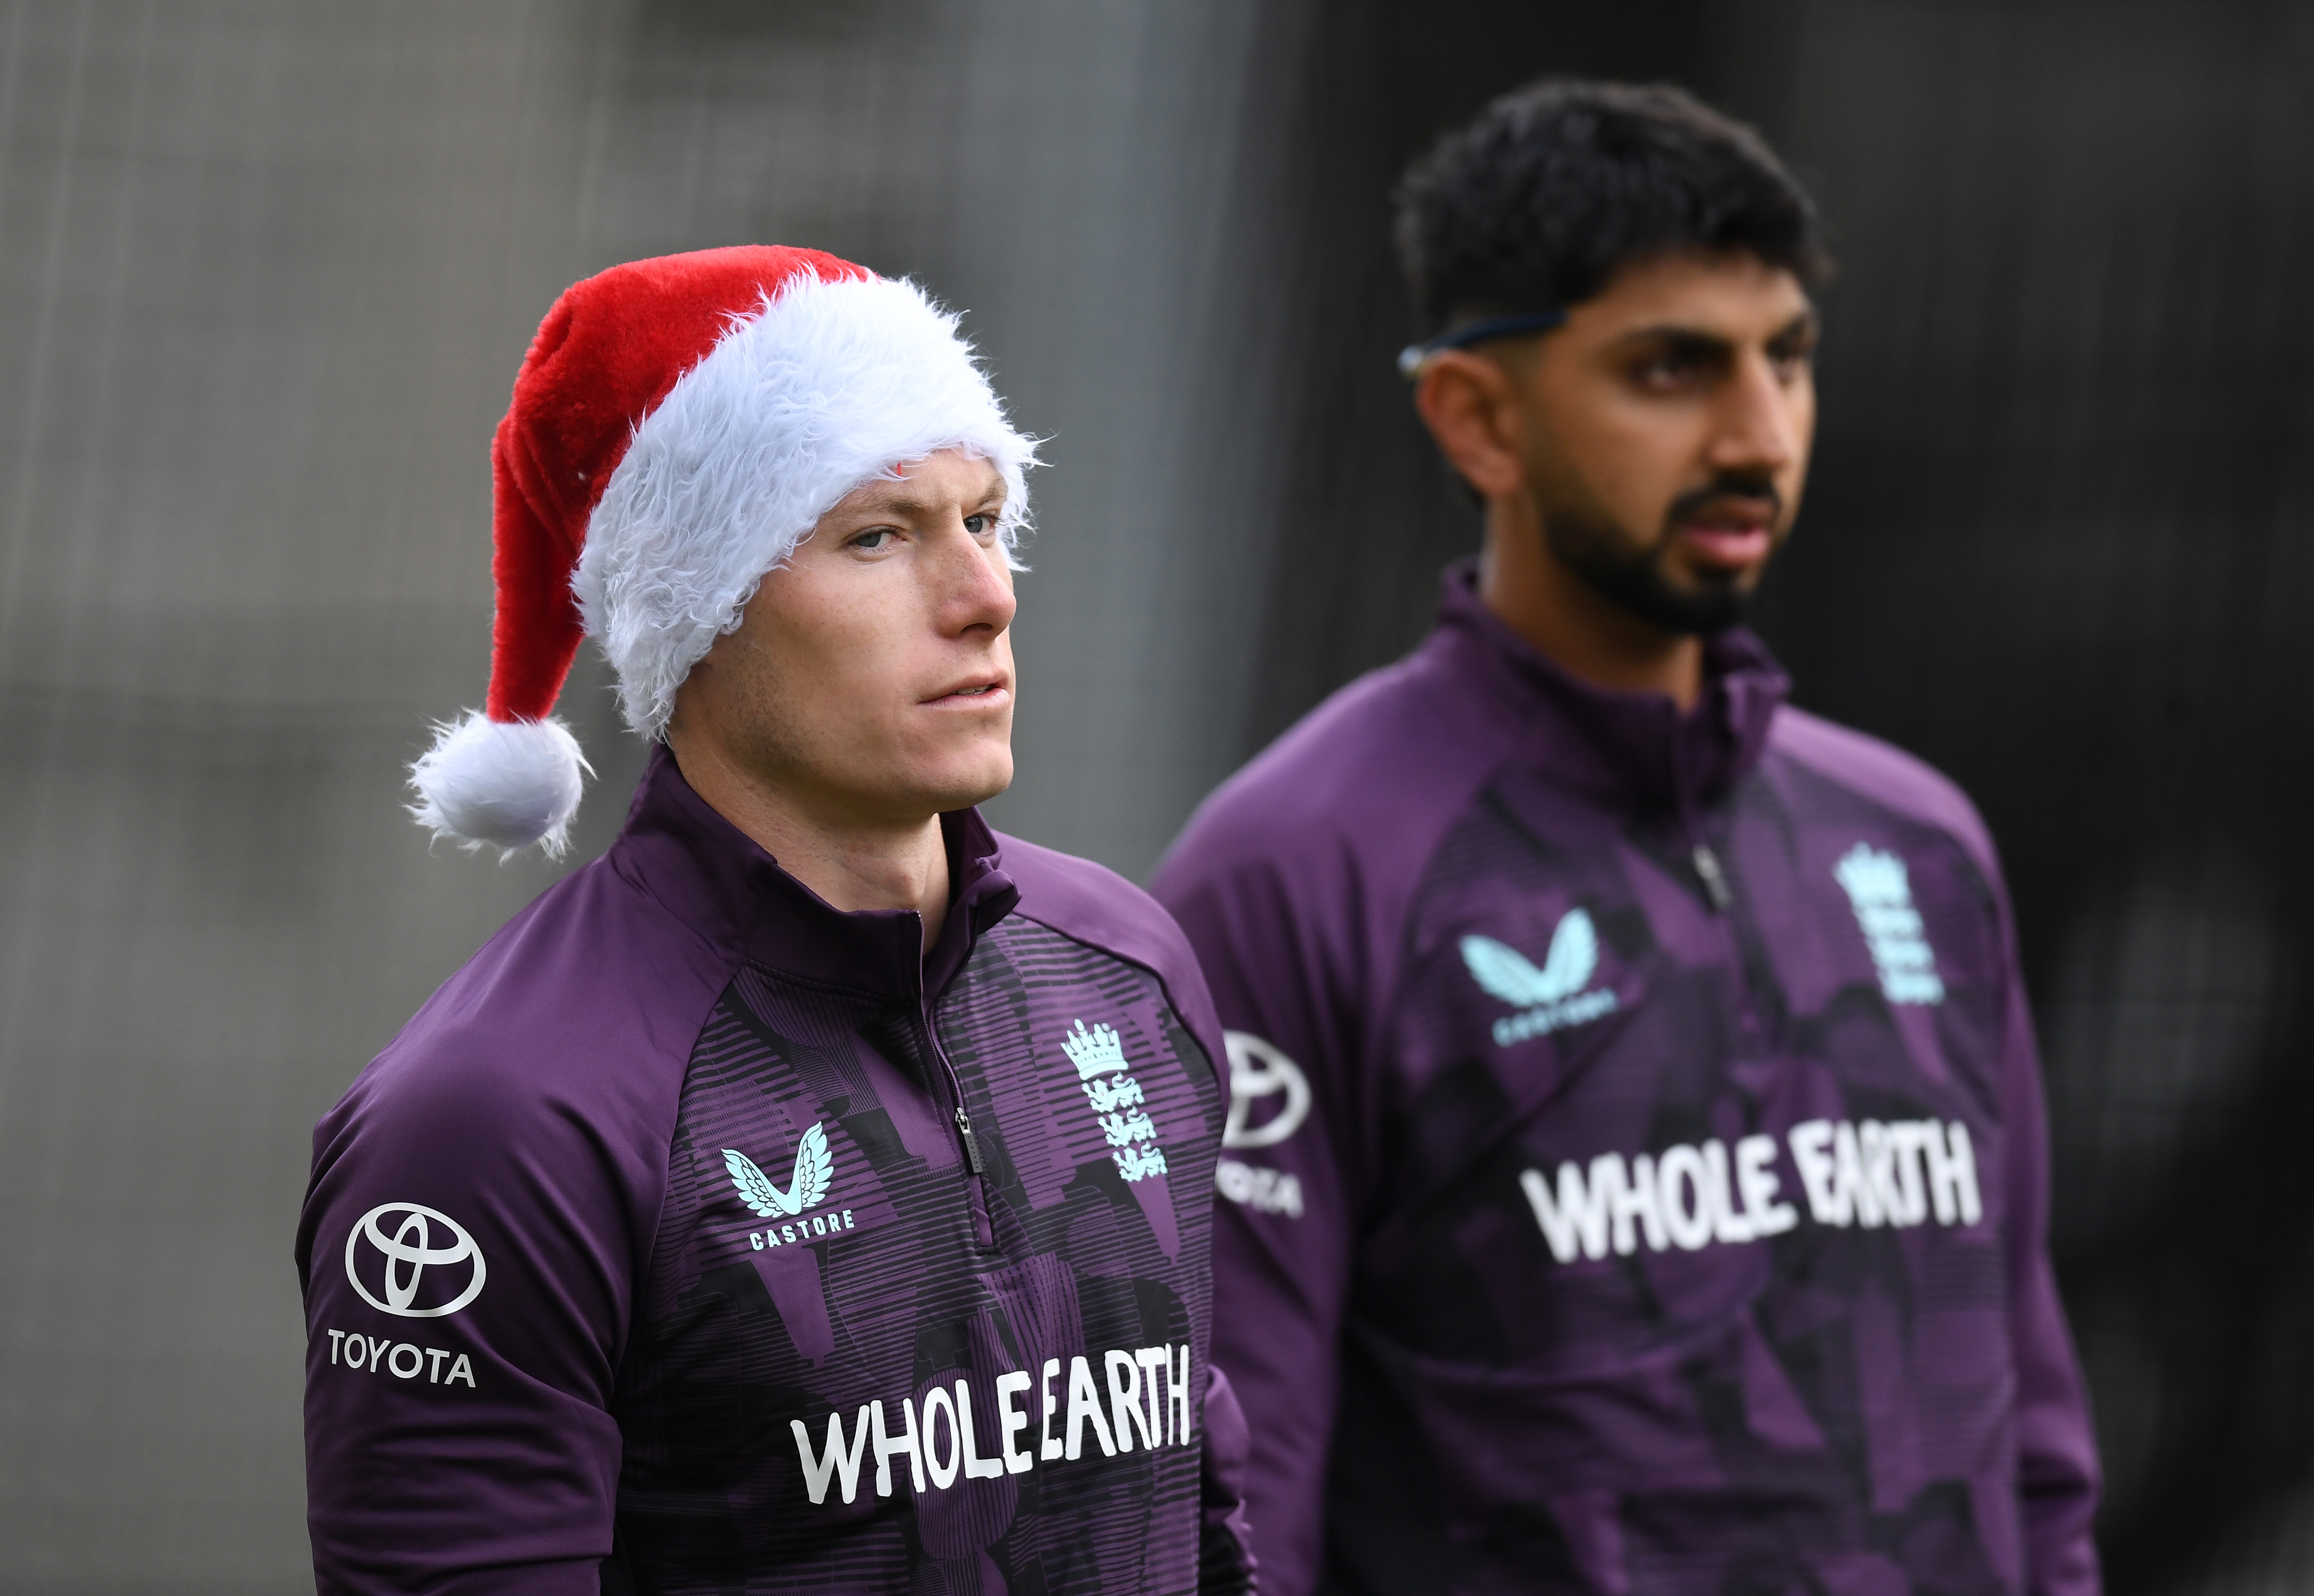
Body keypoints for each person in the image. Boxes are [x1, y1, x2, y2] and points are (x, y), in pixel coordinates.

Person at [1152, 81, 2100, 1596]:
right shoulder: (1296, 873)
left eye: (1784, 358)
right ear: (1476, 417)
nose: (1755, 433)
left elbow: (2035, 1461)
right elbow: (1232, 1502)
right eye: (1672, 368)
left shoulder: (1919, 845)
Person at [297, 246, 1253, 1596]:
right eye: (877, 536)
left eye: (984, 519)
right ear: (697, 613)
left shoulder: (1126, 971)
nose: (986, 596)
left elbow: (1209, 1530)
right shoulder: (500, 1114)